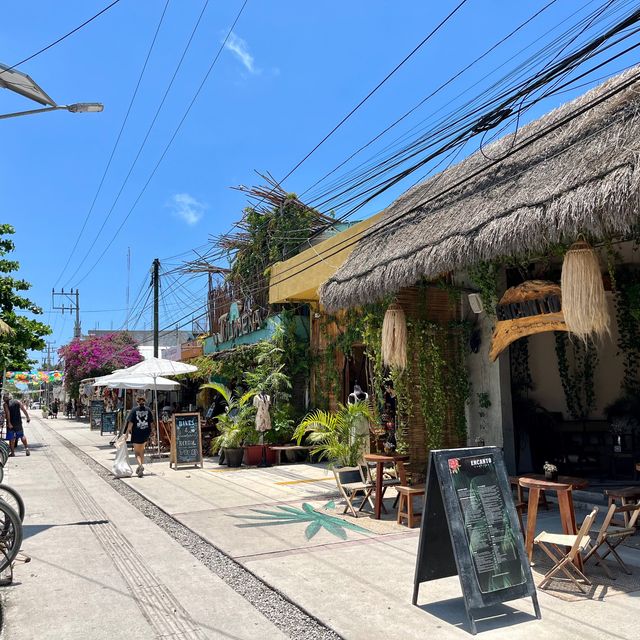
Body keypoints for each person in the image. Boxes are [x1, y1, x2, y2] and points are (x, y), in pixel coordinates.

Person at [125, 395, 154, 477]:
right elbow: (151, 423)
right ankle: (140, 466)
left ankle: (140, 465)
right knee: (142, 450)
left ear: (137, 402)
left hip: (136, 433)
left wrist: (127, 433)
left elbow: (130, 423)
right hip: (145, 433)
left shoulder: (134, 410)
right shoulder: (148, 410)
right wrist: (153, 433)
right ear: (144, 401)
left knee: (137, 452)